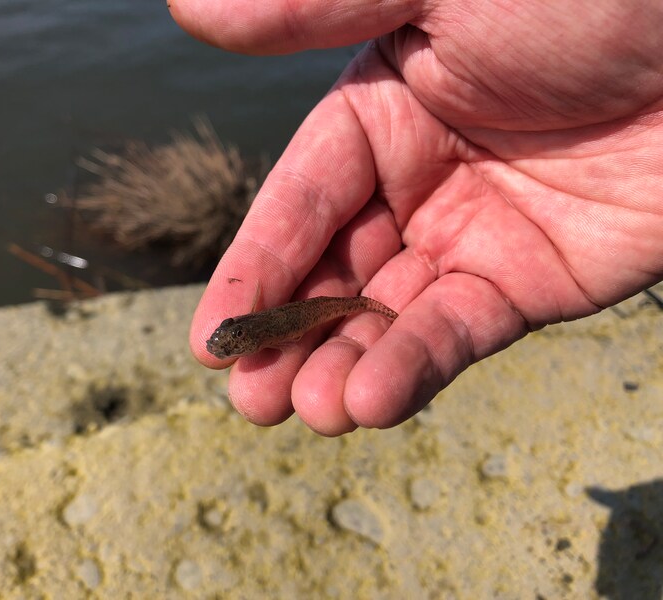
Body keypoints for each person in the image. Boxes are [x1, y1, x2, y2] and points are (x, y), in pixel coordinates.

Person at [172, 0, 663, 436]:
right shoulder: (259, 332)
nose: (227, 340)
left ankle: (367, 307)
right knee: (346, 363)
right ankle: (365, 307)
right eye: (231, 338)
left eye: (231, 337)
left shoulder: (261, 333)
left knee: (347, 356)